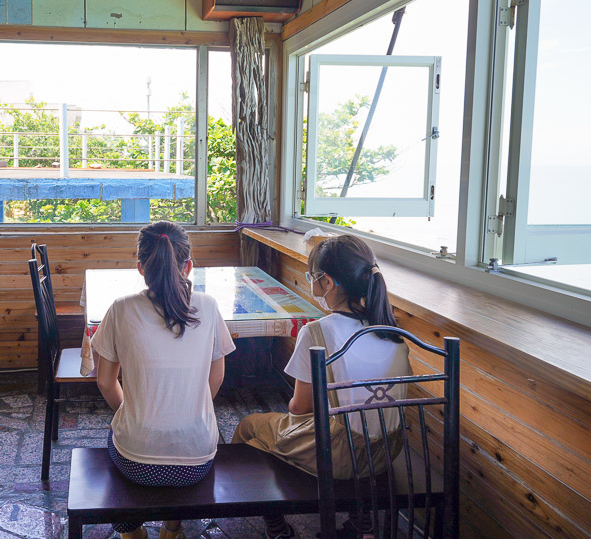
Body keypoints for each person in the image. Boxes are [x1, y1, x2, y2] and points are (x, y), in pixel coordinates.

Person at [232, 235, 411, 539]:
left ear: (327, 283)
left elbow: (299, 408)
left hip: (339, 454)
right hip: (386, 451)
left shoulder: (317, 332)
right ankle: (361, 520)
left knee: (251, 427)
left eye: (311, 277)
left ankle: (275, 525)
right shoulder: (392, 332)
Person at [90, 221, 236, 539]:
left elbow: (104, 382)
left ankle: (131, 532)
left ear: (141, 267)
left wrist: (131, 411)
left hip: (135, 461)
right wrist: (188, 407)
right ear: (189, 266)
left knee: (115, 440)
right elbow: (218, 374)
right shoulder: (209, 307)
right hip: (197, 459)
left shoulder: (120, 309)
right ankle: (172, 527)